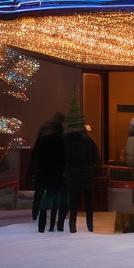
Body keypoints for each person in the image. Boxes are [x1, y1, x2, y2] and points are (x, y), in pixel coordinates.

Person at [60, 98, 100, 233]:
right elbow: (96, 157)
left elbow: (62, 158)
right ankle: (90, 225)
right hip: (87, 173)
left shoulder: (65, 141)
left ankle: (73, 225)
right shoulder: (88, 140)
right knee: (88, 200)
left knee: (73, 199)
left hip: (71, 174)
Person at [28, 112, 66, 232]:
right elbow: (64, 158)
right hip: (57, 173)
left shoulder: (43, 135)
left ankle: (38, 220)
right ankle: (54, 224)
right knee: (55, 198)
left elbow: (38, 155)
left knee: (40, 195)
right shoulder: (63, 141)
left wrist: (36, 169)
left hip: (43, 172)